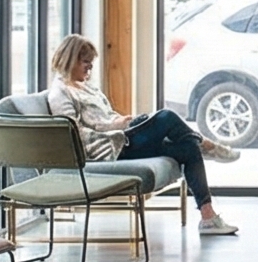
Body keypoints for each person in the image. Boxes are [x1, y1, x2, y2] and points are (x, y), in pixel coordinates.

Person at [45, 34, 242, 238]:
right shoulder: (60, 93)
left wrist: (122, 121)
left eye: (90, 63)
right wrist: (113, 126)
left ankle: (208, 218)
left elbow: (104, 116)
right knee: (166, 116)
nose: (89, 68)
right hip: (110, 148)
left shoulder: (86, 87)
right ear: (71, 60)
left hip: (122, 136)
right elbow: (72, 133)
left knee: (187, 148)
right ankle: (207, 144)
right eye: (85, 63)